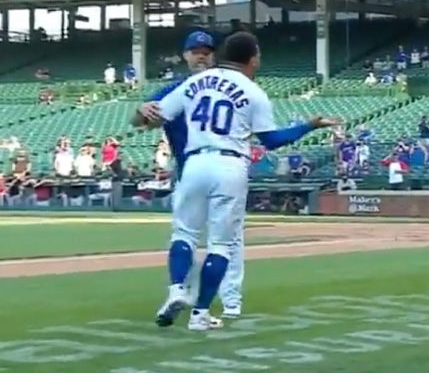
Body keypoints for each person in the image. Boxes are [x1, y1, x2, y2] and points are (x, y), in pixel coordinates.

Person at [142, 31, 338, 331]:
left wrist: (142, 109)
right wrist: (308, 125)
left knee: (184, 234)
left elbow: (152, 117)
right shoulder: (253, 91)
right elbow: (272, 141)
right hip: (229, 164)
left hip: (193, 161)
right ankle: (201, 314)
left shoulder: (194, 82)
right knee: (221, 245)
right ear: (254, 57)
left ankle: (177, 290)